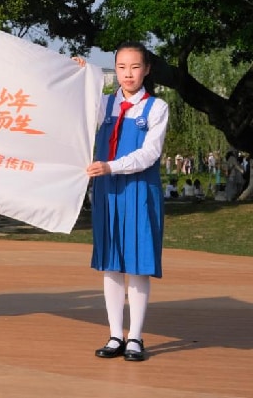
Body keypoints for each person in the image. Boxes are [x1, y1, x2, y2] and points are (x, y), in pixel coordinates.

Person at [85, 42, 169, 362]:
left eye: (135, 67)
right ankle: (114, 335)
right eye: (121, 67)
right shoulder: (104, 104)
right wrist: (78, 74)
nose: (128, 74)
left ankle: (135, 337)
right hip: (107, 190)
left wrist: (110, 166)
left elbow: (149, 154)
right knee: (111, 263)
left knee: (137, 265)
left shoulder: (156, 108)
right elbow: (75, 111)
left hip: (139, 190)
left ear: (146, 69)